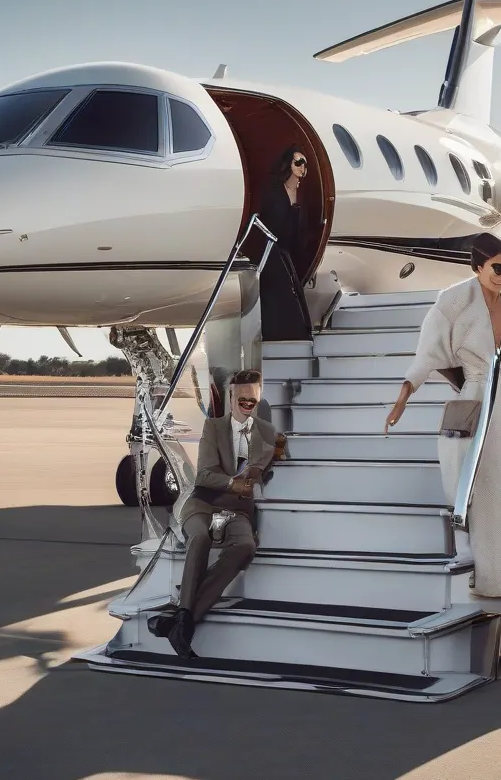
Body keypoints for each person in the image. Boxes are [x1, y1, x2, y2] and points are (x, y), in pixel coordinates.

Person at [384, 233, 501, 599]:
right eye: (498, 268)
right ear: (478, 266)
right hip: (472, 400)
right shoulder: (453, 302)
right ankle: (481, 567)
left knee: (499, 487)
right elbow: (428, 355)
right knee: (466, 480)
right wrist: (403, 396)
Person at [148, 369, 276, 659]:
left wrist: (275, 453)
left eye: (252, 400)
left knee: (245, 546)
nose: (247, 404)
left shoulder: (267, 432)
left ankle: (182, 620)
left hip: (238, 510)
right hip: (203, 503)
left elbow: (275, 455)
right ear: (232, 398)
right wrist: (233, 482)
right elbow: (204, 475)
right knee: (200, 539)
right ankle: (185, 619)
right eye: (242, 399)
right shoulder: (214, 427)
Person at [256, 145, 313, 341]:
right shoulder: (274, 189)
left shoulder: (302, 193)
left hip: (288, 250)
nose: (302, 166)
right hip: (272, 248)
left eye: (304, 163)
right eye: (298, 162)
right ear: (288, 165)